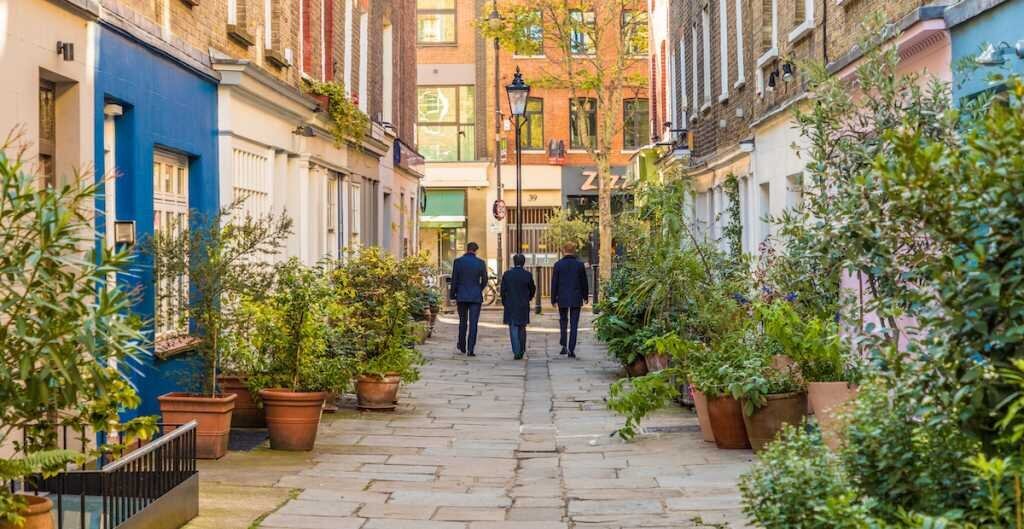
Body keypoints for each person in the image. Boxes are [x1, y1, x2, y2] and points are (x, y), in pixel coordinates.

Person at [551, 242, 589, 358]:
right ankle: (571, 349)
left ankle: (564, 345)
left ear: (564, 250)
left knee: (563, 321)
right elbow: (584, 282)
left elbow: (554, 283)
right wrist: (585, 296)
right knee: (574, 324)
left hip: (562, 297)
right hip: (576, 297)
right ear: (574, 250)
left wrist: (553, 298)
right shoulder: (579, 265)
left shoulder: (558, 265)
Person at [450, 242, 487, 357]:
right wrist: (479, 289)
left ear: (467, 249)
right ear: (476, 250)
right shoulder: (480, 263)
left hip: (461, 295)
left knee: (462, 321)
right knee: (473, 323)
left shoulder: (458, 262)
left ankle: (462, 345)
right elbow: (485, 280)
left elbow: (454, 279)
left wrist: (452, 294)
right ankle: (471, 349)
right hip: (475, 296)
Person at [500, 254, 536, 360]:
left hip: (510, 304)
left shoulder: (507, 274)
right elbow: (532, 289)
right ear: (523, 263)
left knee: (513, 328)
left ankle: (516, 351)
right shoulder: (527, 275)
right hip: (523, 304)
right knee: (522, 327)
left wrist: (504, 302)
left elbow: (503, 291)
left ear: (514, 262)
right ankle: (522, 349)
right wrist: (529, 298)